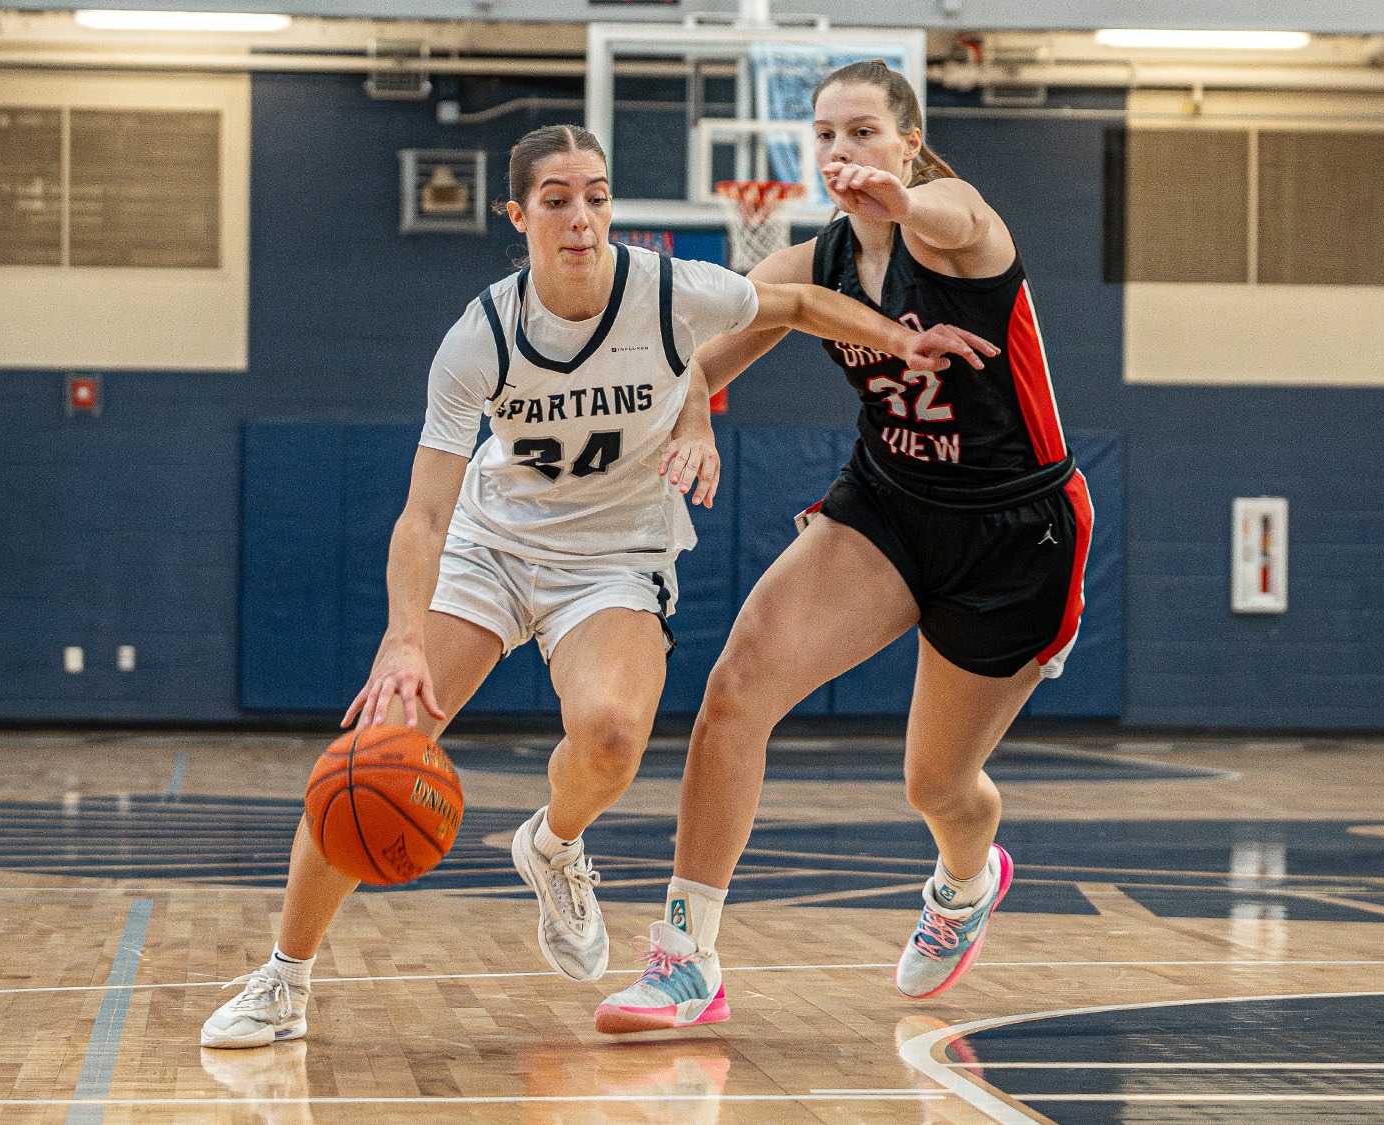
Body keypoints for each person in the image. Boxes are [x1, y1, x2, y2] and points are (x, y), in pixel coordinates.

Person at [202, 122, 996, 1049]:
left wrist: (899, 342)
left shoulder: (666, 290)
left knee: (614, 736)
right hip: (490, 550)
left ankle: (553, 843)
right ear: (519, 215)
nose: (581, 218)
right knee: (378, 748)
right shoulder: (482, 335)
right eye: (557, 200)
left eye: (597, 196)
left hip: (614, 561)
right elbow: (423, 515)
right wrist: (403, 637)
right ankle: (283, 979)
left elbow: (795, 306)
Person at [596, 60, 1093, 1034]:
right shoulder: (805, 263)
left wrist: (903, 197)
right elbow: (699, 360)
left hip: (1014, 532)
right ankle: (683, 958)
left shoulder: (954, 225)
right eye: (826, 134)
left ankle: (963, 881)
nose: (841, 152)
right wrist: (692, 417)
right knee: (735, 693)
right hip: (885, 507)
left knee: (935, 784)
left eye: (863, 131)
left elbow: (951, 212)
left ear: (905, 139)